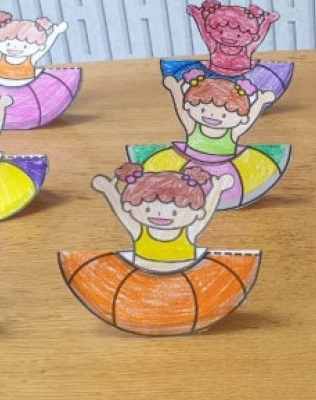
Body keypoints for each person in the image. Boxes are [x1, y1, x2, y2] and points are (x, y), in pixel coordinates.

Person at [91, 164, 234, 273]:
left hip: (186, 280)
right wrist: (109, 190)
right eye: (148, 209)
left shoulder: (189, 233)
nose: (160, 215)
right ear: (130, 206)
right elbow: (122, 214)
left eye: (174, 212)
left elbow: (207, 215)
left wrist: (217, 189)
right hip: (141, 279)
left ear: (197, 213)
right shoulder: (139, 231)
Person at [163, 69, 275, 156]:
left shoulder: (232, 134)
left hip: (226, 167)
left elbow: (249, 121)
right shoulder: (193, 127)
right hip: (190, 163)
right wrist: (175, 89)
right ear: (189, 106)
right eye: (203, 110)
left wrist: (260, 102)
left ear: (242, 118)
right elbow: (182, 112)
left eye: (224, 115)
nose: (212, 116)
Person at [187, 0, 281, 76]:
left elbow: (260, 36)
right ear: (210, 28)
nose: (228, 36)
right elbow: (203, 31)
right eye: (221, 32)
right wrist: (197, 15)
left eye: (238, 35)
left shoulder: (246, 49)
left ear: (252, 36)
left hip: (244, 77)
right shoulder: (214, 45)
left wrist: (268, 21)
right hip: (215, 77)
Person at [0, 11, 69, 82]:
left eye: (25, 46)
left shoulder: (31, 59)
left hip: (27, 91)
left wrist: (55, 32)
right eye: (8, 44)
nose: (14, 48)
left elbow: (46, 47)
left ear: (40, 46)